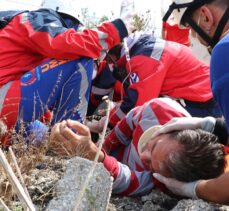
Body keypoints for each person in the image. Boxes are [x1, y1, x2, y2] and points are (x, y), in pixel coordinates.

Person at [0, 0, 132, 145]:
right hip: (4, 105)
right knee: (82, 55)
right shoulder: (38, 18)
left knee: (45, 139)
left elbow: (32, 87)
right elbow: (66, 43)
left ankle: (60, 140)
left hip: (7, 110)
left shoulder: (20, 30)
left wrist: (50, 120)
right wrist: (116, 30)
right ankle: (68, 142)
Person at [49, 98, 226, 196]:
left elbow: (130, 181)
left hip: (112, 166)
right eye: (154, 145)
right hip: (114, 149)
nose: (143, 157)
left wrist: (93, 155)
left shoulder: (168, 182)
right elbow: (129, 121)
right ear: (173, 128)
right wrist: (104, 146)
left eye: (150, 166)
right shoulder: (159, 109)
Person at [154, 0, 229, 204]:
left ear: (205, 16)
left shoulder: (224, 52)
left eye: (190, 28)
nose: (193, 37)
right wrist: (215, 126)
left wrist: (198, 189)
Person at [88, 31, 222, 132]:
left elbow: (136, 104)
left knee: (157, 131)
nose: (110, 65)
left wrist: (105, 124)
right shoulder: (143, 50)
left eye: (109, 60)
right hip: (200, 95)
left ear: (113, 53)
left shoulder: (144, 57)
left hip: (203, 102)